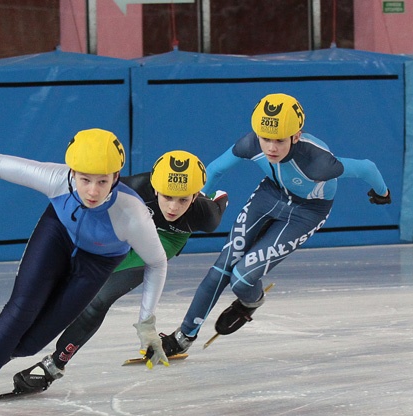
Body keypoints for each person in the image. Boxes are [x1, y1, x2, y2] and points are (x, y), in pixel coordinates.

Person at [0, 128, 170, 416]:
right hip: (57, 235)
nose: (93, 191)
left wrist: (147, 321)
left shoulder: (132, 214)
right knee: (21, 311)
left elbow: (157, 263)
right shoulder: (56, 179)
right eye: (84, 180)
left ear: (116, 175)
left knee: (29, 345)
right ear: (72, 172)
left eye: (103, 181)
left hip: (97, 263)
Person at [160, 93, 392, 356]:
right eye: (265, 138)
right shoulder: (252, 143)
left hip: (307, 211)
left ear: (296, 135)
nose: (270, 148)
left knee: (242, 279)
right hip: (271, 194)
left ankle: (251, 302)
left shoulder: (318, 164)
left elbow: (366, 168)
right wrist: (192, 208)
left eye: (279, 140)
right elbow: (214, 170)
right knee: (223, 266)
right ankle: (184, 336)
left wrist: (381, 192)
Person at [6, 150, 228, 395]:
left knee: (98, 299)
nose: (173, 208)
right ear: (154, 188)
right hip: (131, 227)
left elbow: (221, 198)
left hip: (165, 241)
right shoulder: (131, 188)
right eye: (167, 197)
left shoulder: (207, 217)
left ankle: (54, 365)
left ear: (196, 195)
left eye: (183, 200)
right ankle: (10, 331)